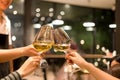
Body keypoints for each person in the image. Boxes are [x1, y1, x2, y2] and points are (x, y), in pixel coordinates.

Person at [0, 0, 14, 77]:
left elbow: (9, 46)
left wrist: (11, 70)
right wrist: (24, 51)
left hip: (4, 70)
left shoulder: (7, 20)